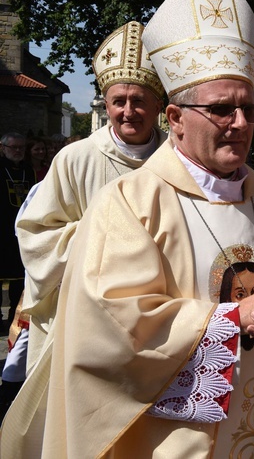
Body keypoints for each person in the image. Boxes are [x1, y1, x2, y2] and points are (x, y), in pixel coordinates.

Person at [1, 0, 254, 457]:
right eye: (222, 109)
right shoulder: (129, 203)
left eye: (250, 109)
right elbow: (113, 325)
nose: (241, 123)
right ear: (176, 119)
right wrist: (231, 320)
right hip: (169, 439)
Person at [14, 21, 169, 372]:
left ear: (159, 105)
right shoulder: (76, 158)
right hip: (86, 311)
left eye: (139, 101)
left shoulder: (176, 158)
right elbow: (36, 236)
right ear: (106, 103)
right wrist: (103, 235)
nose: (128, 112)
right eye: (119, 101)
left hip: (159, 312)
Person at [0, 132, 35, 334]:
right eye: (14, 148)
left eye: (22, 148)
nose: (18, 151)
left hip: (19, 230)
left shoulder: (27, 170)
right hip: (1, 228)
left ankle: (14, 314)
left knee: (18, 277)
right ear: (3, 148)